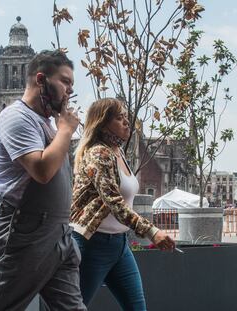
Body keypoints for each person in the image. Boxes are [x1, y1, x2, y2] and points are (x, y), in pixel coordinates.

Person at [0, 50, 86, 311]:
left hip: (58, 235)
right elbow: (41, 169)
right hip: (23, 235)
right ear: (41, 79)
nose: (70, 90)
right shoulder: (16, 117)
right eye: (65, 82)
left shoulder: (48, 123)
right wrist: (65, 130)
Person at [71, 98, 176, 309]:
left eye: (126, 117)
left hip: (119, 244)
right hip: (92, 244)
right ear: (102, 123)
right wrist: (152, 231)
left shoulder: (118, 152)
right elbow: (114, 203)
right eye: (119, 118)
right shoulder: (99, 154)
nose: (127, 123)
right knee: (72, 307)